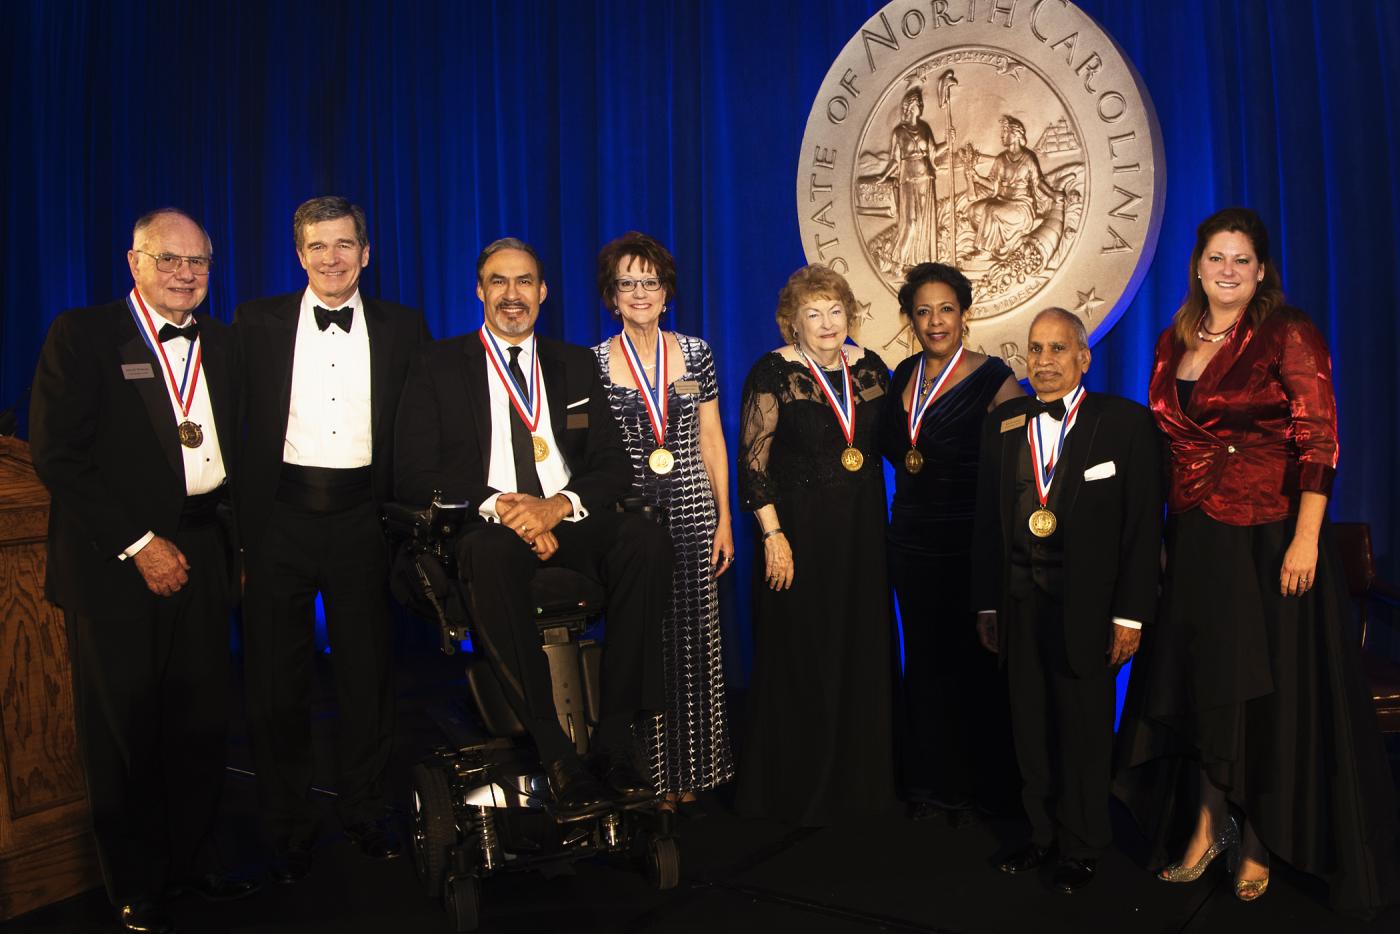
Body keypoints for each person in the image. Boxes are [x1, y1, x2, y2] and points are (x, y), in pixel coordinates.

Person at [1114, 207, 1399, 911]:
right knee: (1202, 685)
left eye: (1242, 259)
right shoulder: (1169, 339)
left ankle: (1258, 839)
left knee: (1260, 693)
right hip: (1194, 539)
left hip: (1269, 538)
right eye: (1217, 257)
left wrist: (1308, 539)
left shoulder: (1287, 332)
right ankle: (1208, 823)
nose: (1228, 271)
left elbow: (1320, 440)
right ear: (1198, 265)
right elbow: (1164, 446)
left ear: (1262, 269)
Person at [30, 208, 256, 933]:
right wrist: (140, 543)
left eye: (199, 263)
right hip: (118, 564)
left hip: (206, 554)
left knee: (199, 723)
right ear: (135, 262)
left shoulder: (222, 343)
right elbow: (59, 455)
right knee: (124, 728)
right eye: (169, 260)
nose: (186, 274)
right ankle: (132, 880)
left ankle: (192, 863)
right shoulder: (84, 335)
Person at [394, 237, 673, 819]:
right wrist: (505, 506)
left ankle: (616, 743)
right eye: (498, 282)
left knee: (643, 539)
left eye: (524, 282)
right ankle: (556, 754)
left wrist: (558, 507)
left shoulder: (575, 364)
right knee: (490, 554)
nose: (512, 295)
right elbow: (414, 475)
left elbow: (613, 468)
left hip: (563, 518)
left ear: (543, 292)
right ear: (479, 291)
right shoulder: (438, 364)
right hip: (489, 525)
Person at [235, 196, 431, 882]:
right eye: (316, 246)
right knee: (274, 680)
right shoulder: (254, 322)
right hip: (279, 517)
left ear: (366, 252)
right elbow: (232, 426)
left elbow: (416, 433)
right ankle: (285, 821)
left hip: (362, 519)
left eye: (344, 244)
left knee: (367, 675)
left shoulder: (405, 328)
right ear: (298, 255)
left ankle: (365, 808)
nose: (331, 258)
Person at [971, 307, 1162, 894]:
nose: (1046, 362)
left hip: (1089, 608)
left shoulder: (1125, 424)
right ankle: (1039, 835)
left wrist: (1130, 615)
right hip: (1020, 600)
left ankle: (1083, 844)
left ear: (1084, 357)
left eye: (1058, 349)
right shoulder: (1004, 422)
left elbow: (1141, 529)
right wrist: (987, 604)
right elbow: (986, 522)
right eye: (1036, 350)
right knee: (1028, 725)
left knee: (1081, 729)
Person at [735, 264, 898, 826]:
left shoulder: (870, 367)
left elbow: (897, 439)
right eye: (813, 314)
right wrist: (773, 536)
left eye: (835, 311)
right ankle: (797, 790)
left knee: (860, 648)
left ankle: (861, 787)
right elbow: (752, 467)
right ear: (793, 322)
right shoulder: (774, 373)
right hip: (799, 536)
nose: (827, 323)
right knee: (804, 651)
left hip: (863, 536)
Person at [590, 232, 735, 814]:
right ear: (612, 296)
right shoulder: (595, 363)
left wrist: (726, 520)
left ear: (667, 292)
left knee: (695, 643)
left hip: (695, 511)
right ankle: (645, 773)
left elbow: (713, 440)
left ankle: (696, 768)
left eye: (650, 281)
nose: (640, 292)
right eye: (627, 282)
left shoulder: (697, 353)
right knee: (640, 643)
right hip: (632, 521)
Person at [876, 262, 1022, 823]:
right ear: (910, 318)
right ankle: (931, 784)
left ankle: (979, 786)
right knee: (926, 663)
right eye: (923, 311)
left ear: (965, 313)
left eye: (946, 309)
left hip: (970, 544)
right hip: (910, 541)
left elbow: (1019, 467)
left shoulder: (994, 377)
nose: (935, 321)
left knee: (975, 666)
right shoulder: (904, 372)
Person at [868, 88, 951, 272]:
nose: (920, 106)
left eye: (921, 103)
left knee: (924, 223)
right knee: (910, 222)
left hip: (926, 178)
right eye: (917, 103)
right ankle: (898, 261)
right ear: (909, 107)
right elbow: (894, 160)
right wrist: (883, 176)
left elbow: (933, 153)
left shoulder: (925, 128)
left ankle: (922, 263)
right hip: (907, 179)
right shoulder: (898, 132)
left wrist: (949, 142)